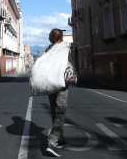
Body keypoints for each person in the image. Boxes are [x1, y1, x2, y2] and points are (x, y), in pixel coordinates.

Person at [45, 28, 77, 157]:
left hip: (50, 84)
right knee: (61, 112)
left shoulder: (48, 49)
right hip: (61, 84)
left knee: (55, 112)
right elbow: (69, 64)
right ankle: (52, 142)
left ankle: (60, 139)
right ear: (61, 37)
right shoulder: (64, 48)